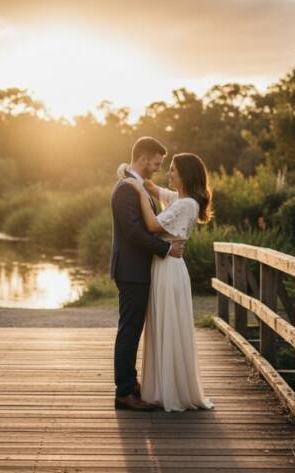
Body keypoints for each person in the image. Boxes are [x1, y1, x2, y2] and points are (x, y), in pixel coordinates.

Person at [119, 152, 215, 412]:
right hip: (166, 266)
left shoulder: (186, 205)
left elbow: (151, 225)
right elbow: (156, 188)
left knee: (168, 324)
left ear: (185, 174)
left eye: (173, 170)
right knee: (163, 325)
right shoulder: (180, 199)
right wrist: (130, 174)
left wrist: (139, 192)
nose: (168, 173)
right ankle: (163, 385)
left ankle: (170, 390)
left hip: (169, 268)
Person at [109, 137, 185, 411]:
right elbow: (133, 233)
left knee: (132, 329)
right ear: (143, 158)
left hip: (137, 269)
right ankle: (124, 392)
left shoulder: (136, 186)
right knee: (129, 330)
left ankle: (131, 385)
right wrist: (166, 249)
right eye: (157, 161)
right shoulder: (126, 190)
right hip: (131, 270)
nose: (158, 167)